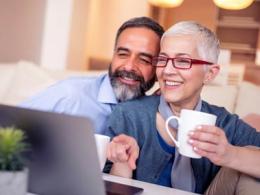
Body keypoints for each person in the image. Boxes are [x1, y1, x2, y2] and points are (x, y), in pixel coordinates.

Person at [104, 21, 260, 194]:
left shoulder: (224, 123)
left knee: (249, 165)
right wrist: (123, 161)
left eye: (183, 61)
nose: (167, 70)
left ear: (210, 73)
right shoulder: (129, 115)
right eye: (163, 59)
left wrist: (229, 154)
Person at [20, 17, 164, 134]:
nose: (129, 66)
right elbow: (8, 131)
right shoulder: (69, 96)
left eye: (144, 60)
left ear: (158, 69)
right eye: (123, 54)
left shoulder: (154, 113)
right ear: (113, 55)